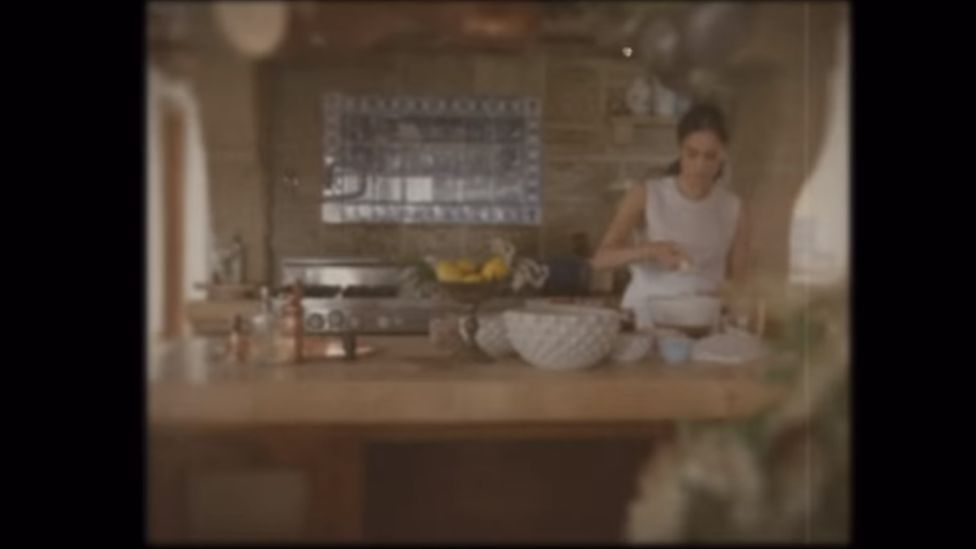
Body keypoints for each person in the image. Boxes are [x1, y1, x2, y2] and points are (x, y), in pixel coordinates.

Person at [590, 103, 750, 320]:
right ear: (680, 149)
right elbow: (601, 259)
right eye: (691, 154)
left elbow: (739, 283)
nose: (700, 165)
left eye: (710, 156)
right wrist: (651, 250)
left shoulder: (734, 207)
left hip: (702, 320)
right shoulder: (647, 193)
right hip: (646, 317)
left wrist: (736, 316)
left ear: (722, 154)